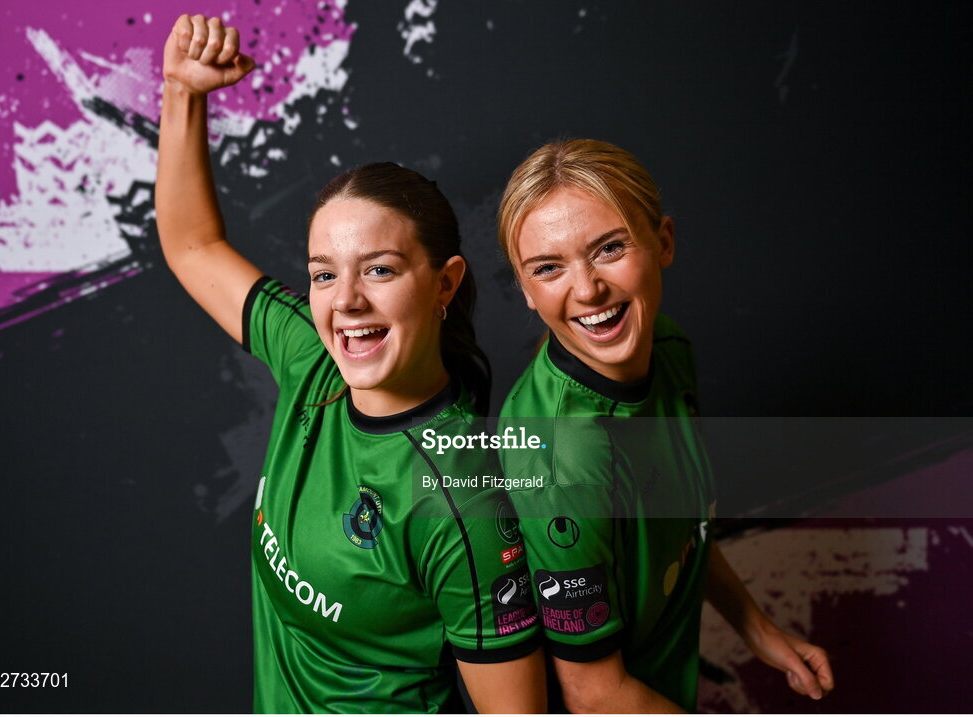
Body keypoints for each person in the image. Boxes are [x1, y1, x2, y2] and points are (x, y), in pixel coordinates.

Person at [155, 14, 544, 713]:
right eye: (324, 275)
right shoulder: (312, 358)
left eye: (381, 269)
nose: (347, 303)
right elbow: (191, 245)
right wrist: (183, 92)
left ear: (445, 284)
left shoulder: (461, 507)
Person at [496, 138, 834, 712]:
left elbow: (679, 531)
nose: (587, 289)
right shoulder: (563, 460)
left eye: (609, 248)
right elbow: (593, 694)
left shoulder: (668, 347)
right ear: (528, 291)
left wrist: (761, 632)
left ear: (664, 242)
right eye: (548, 268)